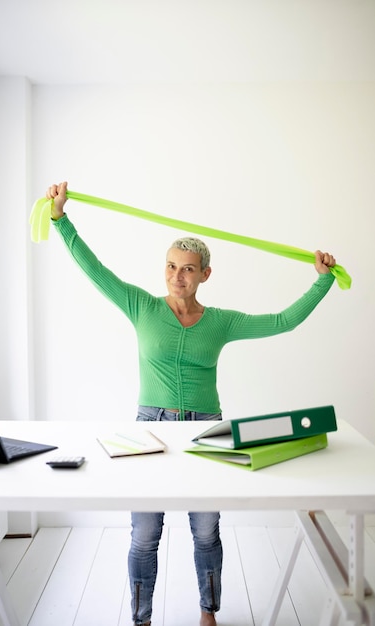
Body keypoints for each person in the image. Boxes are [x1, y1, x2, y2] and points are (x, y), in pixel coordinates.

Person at [46, 181, 336, 626]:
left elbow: (282, 321)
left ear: (205, 275)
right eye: (170, 267)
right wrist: (61, 219)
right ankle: (141, 619)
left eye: (187, 269)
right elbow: (95, 269)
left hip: (205, 430)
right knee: (144, 535)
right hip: (150, 427)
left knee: (205, 531)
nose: (177, 276)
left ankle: (208, 615)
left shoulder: (221, 322)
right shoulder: (140, 305)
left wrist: (322, 281)